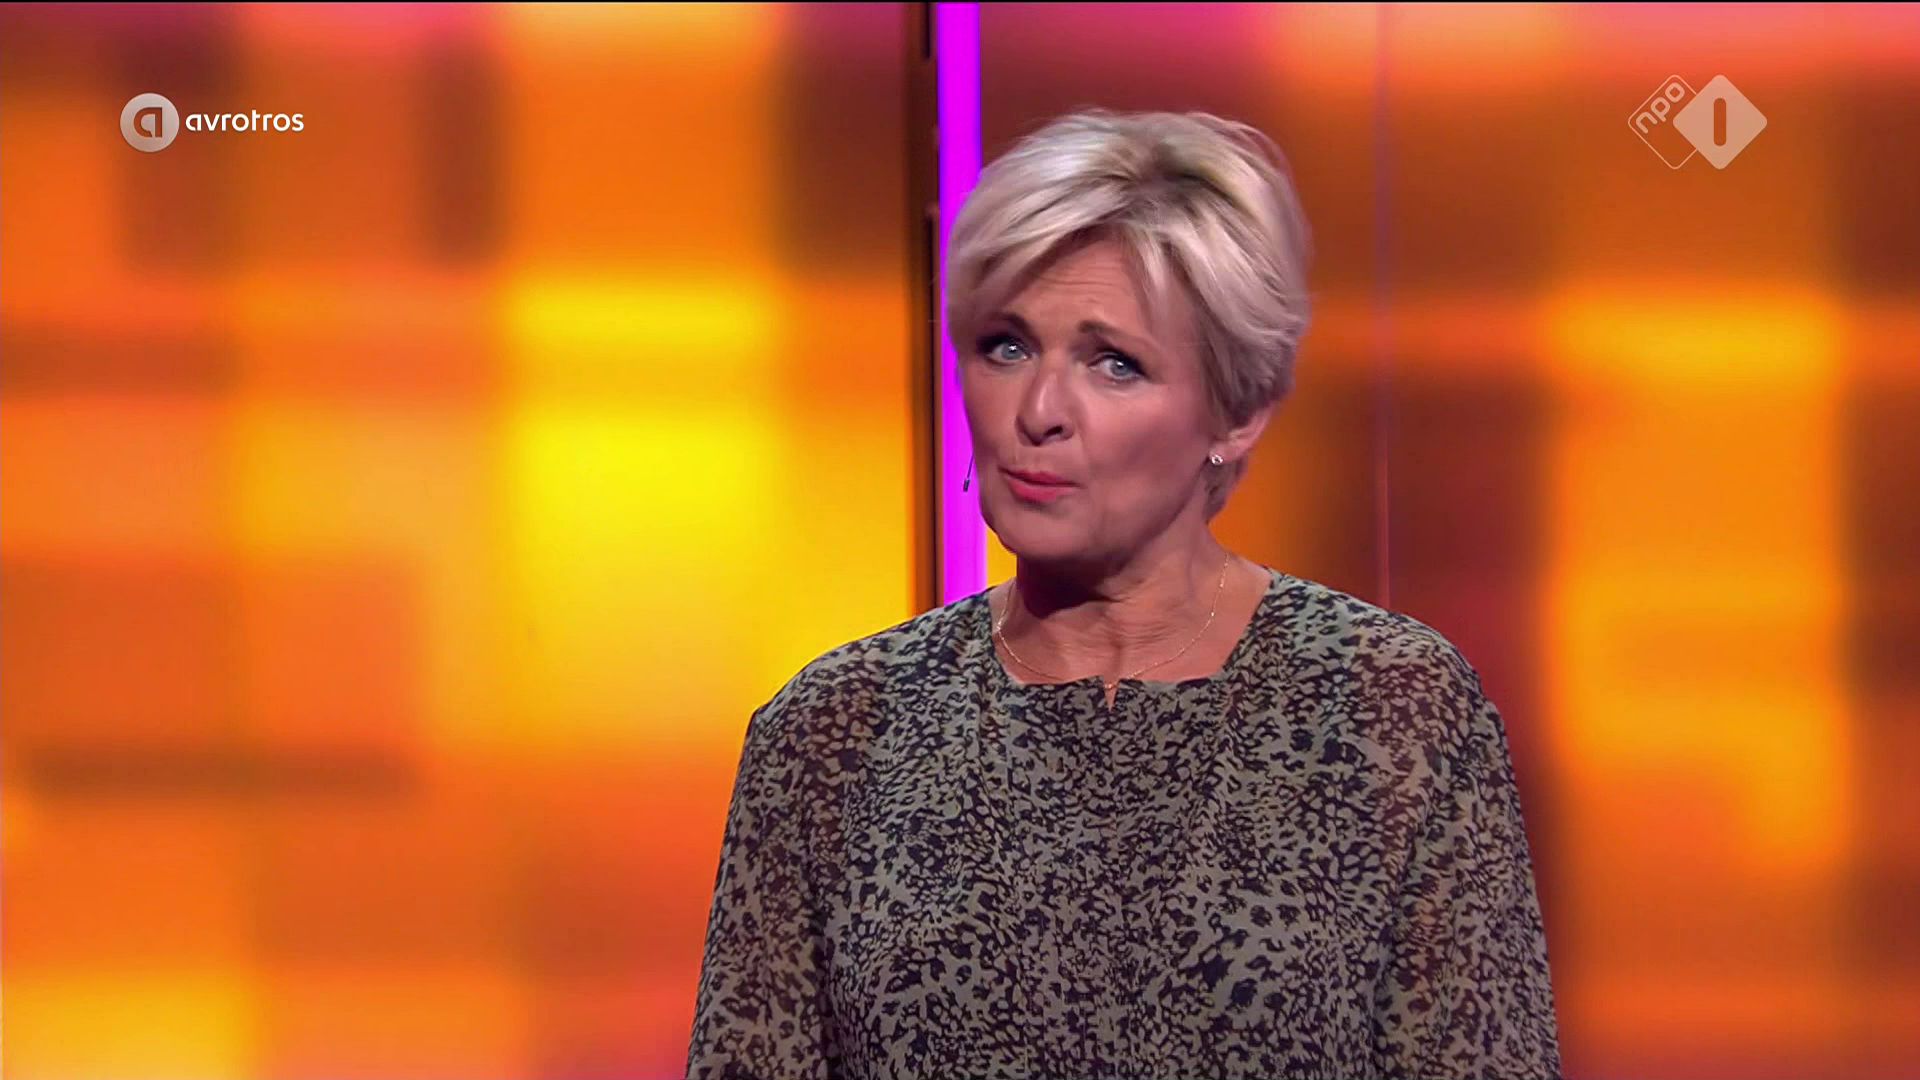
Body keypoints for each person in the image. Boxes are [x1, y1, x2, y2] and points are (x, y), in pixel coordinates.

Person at [686, 107, 1562, 1079]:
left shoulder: (1390, 706)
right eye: (1007, 346)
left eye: (1114, 364)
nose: (1038, 412)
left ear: (1235, 411)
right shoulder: (835, 733)